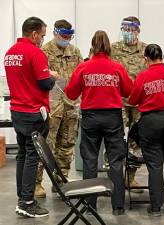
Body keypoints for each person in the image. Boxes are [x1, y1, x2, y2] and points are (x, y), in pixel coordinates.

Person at [64, 30, 133, 215]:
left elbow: (70, 93)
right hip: (113, 118)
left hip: (90, 118)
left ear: (92, 46)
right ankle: (118, 206)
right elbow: (128, 91)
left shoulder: (83, 67)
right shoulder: (117, 67)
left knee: (90, 160)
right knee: (116, 161)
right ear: (109, 46)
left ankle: (90, 205)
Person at [4, 16, 59, 217]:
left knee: (22, 154)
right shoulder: (35, 53)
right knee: (32, 156)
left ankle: (22, 197)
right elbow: (44, 83)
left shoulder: (10, 53)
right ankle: (27, 202)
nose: (43, 39)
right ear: (34, 33)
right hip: (33, 111)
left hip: (17, 110)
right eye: (42, 35)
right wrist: (52, 77)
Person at [129, 44, 164, 217]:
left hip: (151, 122)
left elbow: (133, 99)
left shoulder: (143, 76)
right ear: (162, 57)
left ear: (146, 59)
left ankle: (155, 207)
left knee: (155, 166)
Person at [35, 19, 83, 198]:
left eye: (69, 36)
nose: (66, 39)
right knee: (46, 144)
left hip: (71, 104)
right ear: (55, 33)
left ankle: (61, 180)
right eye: (63, 35)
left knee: (67, 144)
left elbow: (80, 75)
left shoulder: (75, 51)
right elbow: (37, 76)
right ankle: (37, 183)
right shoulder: (44, 52)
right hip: (51, 105)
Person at [111, 16, 147, 192]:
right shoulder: (113, 49)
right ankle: (115, 178)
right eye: (124, 29)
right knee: (116, 137)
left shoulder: (147, 50)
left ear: (138, 31)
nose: (128, 33)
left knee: (136, 140)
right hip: (118, 101)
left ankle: (131, 177)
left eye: (131, 30)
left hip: (140, 102)